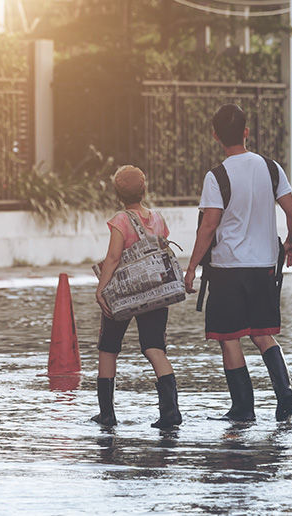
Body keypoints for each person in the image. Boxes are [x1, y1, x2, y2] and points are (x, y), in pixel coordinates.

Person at [184, 104, 292, 422]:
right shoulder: (272, 168)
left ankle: (243, 408)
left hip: (227, 269)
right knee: (263, 334)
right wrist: (291, 242)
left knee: (229, 337)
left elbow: (209, 226)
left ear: (215, 136)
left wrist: (192, 266)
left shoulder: (217, 176)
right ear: (246, 133)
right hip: (264, 265)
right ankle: (285, 396)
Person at [92, 165, 182, 429]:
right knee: (154, 347)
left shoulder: (121, 220)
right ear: (144, 189)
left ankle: (107, 414)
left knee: (108, 348)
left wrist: (102, 290)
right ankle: (170, 412)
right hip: (155, 292)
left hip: (124, 294)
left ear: (118, 193)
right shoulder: (158, 218)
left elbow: (113, 258)